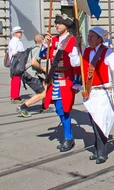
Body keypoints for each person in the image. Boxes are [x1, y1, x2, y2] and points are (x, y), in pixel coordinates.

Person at [18, 15, 81, 151]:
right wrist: (45, 45)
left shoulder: (72, 40)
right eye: (56, 23)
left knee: (64, 109)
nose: (57, 25)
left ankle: (68, 138)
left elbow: (77, 64)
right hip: (54, 79)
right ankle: (68, 136)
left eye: (60, 23)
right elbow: (43, 56)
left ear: (67, 26)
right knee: (59, 109)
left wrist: (77, 82)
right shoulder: (53, 40)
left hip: (66, 79)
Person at [81, 27, 114, 164]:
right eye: (88, 36)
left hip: (103, 92)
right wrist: (75, 46)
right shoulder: (85, 51)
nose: (89, 39)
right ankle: (97, 150)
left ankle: (102, 152)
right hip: (90, 92)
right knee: (93, 122)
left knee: (100, 123)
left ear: (100, 39)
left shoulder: (107, 52)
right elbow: (75, 64)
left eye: (92, 37)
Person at [8, 26, 25, 102]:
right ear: (15, 33)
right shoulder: (14, 41)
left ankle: (16, 96)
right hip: (16, 63)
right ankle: (15, 97)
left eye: (21, 32)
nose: (21, 33)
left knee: (17, 79)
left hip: (18, 62)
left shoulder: (18, 41)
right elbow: (14, 53)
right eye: (19, 32)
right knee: (16, 79)